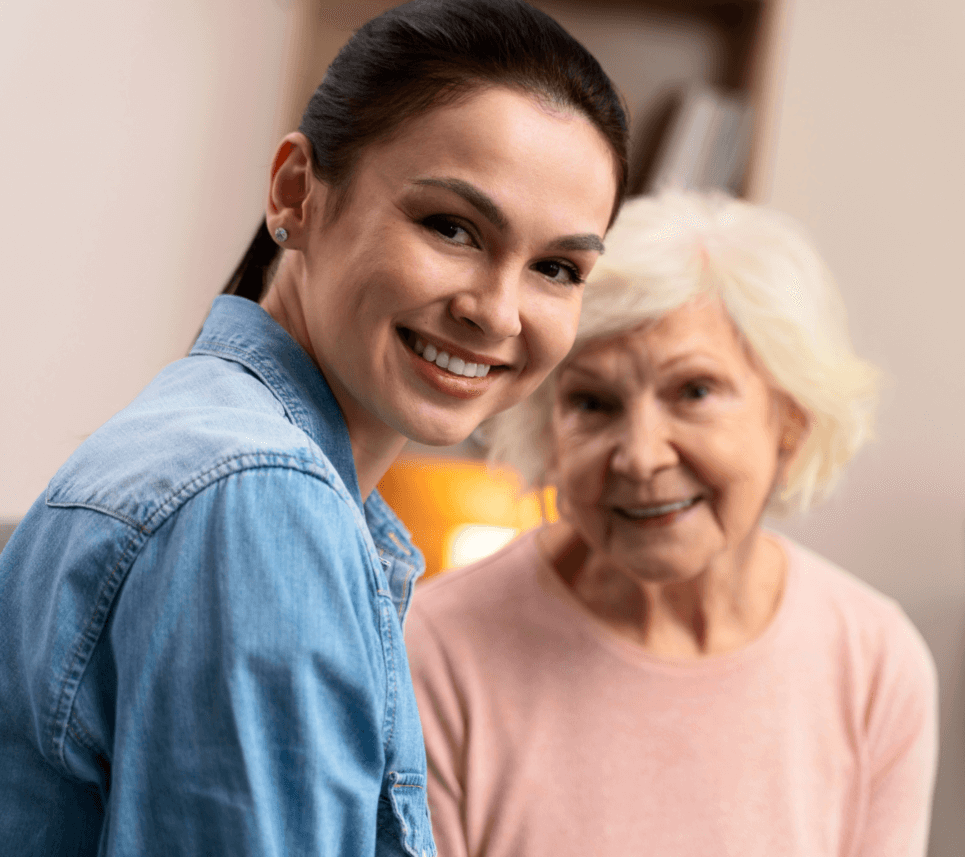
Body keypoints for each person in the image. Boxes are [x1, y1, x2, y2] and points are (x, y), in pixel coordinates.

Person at [0, 2, 628, 854]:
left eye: (557, 267)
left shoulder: (218, 453)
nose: (498, 311)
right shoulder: (256, 495)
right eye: (451, 227)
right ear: (296, 191)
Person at [405, 190, 938, 857]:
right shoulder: (437, 649)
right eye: (593, 403)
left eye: (694, 392)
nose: (641, 455)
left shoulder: (876, 661)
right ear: (548, 430)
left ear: (791, 420)